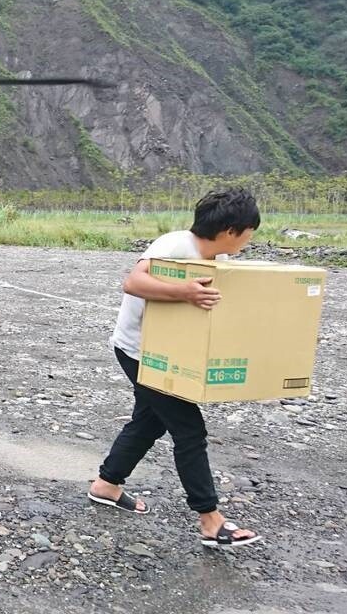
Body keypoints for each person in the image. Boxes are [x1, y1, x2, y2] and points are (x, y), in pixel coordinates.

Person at [89, 188, 262, 549]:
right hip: (141, 352)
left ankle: (107, 485)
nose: (251, 238)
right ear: (232, 230)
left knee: (149, 421)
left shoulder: (212, 257)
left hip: (162, 352)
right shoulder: (176, 245)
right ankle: (210, 521)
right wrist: (185, 292)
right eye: (250, 230)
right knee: (189, 429)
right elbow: (133, 282)